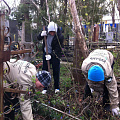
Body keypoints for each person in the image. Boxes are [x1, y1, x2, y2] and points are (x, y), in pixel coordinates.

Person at [81, 49, 120, 116]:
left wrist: (114, 106)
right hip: (94, 54)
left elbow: (112, 87)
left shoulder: (108, 72)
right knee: (87, 85)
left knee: (107, 86)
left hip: (107, 56)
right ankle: (86, 104)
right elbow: (88, 79)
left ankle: (106, 107)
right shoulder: (84, 67)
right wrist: (91, 87)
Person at [37, 21, 64, 94]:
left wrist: (51, 55)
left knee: (56, 71)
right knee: (44, 70)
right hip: (45, 54)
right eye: (50, 32)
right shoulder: (45, 30)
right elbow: (38, 38)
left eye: (53, 32)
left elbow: (58, 49)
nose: (52, 33)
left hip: (55, 55)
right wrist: (41, 34)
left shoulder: (59, 36)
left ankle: (56, 87)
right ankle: (45, 87)